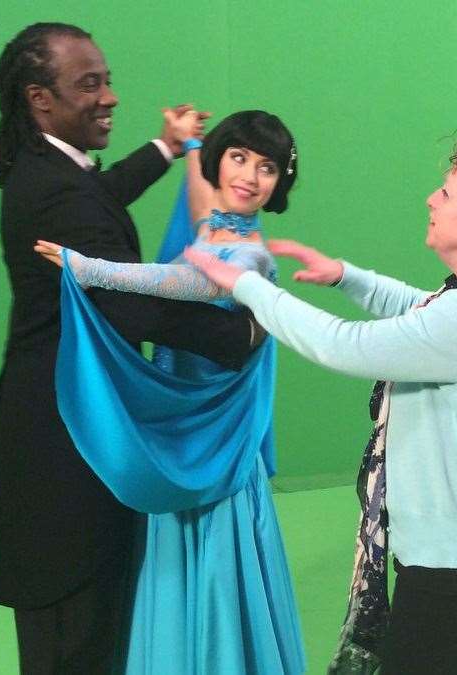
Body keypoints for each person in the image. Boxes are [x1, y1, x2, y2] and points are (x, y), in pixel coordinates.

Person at [182, 125, 457, 674]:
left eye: (447, 192)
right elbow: (425, 313)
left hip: (455, 565)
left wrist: (245, 285)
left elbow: (341, 344)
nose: (430, 200)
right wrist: (347, 277)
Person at [0, 23, 259, 674]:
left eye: (107, 79)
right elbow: (124, 300)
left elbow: (100, 197)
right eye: (89, 84)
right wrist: (241, 331)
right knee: (73, 625)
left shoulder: (51, 170)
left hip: (65, 422)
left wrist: (166, 147)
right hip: (61, 439)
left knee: (90, 617)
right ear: (39, 99)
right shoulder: (52, 189)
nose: (109, 96)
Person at [34, 109, 304, 674]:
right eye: (238, 158)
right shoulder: (216, 231)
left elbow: (179, 282)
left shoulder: (249, 253)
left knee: (216, 558)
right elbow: (198, 232)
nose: (251, 177)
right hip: (188, 430)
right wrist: (184, 147)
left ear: (280, 182)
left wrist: (87, 267)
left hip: (216, 444)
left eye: (267, 167)